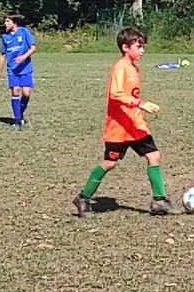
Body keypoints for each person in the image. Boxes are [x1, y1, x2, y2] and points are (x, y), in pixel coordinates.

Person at [72, 27, 175, 216]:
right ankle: (83, 197)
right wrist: (140, 103)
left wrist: (138, 108)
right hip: (118, 127)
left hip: (135, 125)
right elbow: (115, 93)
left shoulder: (134, 68)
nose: (142, 50)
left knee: (154, 156)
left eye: (143, 46)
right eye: (139, 46)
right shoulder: (120, 68)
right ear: (125, 47)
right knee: (110, 163)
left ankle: (159, 200)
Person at [0, 14, 37, 128]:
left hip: (25, 68)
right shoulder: (4, 37)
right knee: (15, 90)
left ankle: (19, 113)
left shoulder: (24, 31)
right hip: (12, 69)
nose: (5, 24)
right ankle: (17, 121)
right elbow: (3, 55)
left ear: (14, 22)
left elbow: (33, 48)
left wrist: (23, 57)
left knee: (26, 93)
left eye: (7, 21)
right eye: (5, 21)